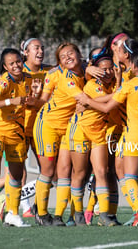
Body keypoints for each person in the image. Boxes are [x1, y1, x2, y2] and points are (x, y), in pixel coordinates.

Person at [76, 46, 138, 226]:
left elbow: (106, 107)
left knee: (130, 176)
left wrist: (87, 101)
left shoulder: (129, 85)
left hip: (134, 137)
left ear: (134, 65)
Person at [0, 48, 41, 228]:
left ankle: (13, 214)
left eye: (18, 61)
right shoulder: (2, 82)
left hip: (16, 133)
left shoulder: (29, 80)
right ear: (5, 66)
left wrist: (36, 95)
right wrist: (10, 101)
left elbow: (32, 104)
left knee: (16, 175)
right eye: (11, 63)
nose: (16, 65)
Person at [33, 42, 85, 226]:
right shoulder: (62, 76)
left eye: (71, 53)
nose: (68, 58)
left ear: (79, 54)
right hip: (47, 125)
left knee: (64, 172)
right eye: (63, 57)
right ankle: (41, 213)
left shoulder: (86, 70)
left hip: (68, 128)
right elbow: (83, 99)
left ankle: (58, 216)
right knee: (47, 170)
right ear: (59, 63)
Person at [66, 52, 121, 226]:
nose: (107, 73)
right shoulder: (92, 84)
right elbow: (105, 105)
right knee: (80, 173)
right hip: (80, 130)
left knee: (102, 171)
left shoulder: (114, 84)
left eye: (110, 69)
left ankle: (104, 214)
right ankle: (76, 213)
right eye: (102, 69)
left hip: (99, 132)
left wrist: (119, 85)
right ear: (96, 70)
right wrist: (121, 89)